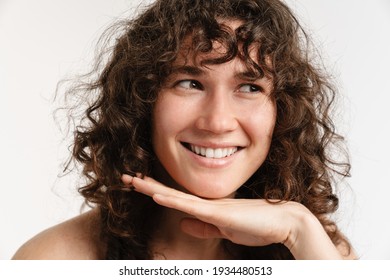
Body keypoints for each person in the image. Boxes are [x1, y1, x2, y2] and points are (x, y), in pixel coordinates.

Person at [12, 0, 355, 260]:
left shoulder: (319, 250)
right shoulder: (54, 260)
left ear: (284, 111)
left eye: (250, 87)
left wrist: (298, 227)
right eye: (190, 83)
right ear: (142, 101)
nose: (218, 122)